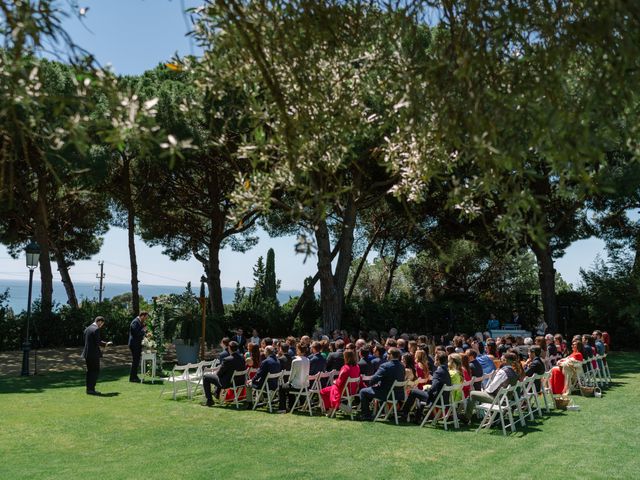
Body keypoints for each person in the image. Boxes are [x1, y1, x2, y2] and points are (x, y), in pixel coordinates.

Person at [464, 352, 519, 420]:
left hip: (497, 399)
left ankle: (466, 417)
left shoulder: (502, 372)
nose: (500, 361)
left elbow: (491, 388)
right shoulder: (514, 372)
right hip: (506, 399)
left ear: (505, 361)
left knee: (472, 393)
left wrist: (484, 391)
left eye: (501, 359)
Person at [400, 352, 451, 422]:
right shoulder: (446, 371)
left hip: (435, 399)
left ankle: (404, 414)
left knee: (413, 391)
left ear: (438, 360)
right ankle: (417, 417)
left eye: (435, 358)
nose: (433, 360)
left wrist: (427, 390)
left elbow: (433, 388)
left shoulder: (438, 372)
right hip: (443, 399)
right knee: (419, 394)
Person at [359, 347, 405, 421]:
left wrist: (371, 384)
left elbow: (374, 379)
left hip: (386, 394)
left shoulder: (385, 366)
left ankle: (366, 415)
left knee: (363, 391)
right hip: (398, 394)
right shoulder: (402, 366)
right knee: (369, 390)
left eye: (388, 353)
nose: (386, 355)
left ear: (392, 355)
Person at [202, 341, 246, 406]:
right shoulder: (242, 358)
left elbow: (219, 374)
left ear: (229, 348)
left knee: (205, 377)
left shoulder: (227, 359)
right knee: (220, 377)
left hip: (227, 383)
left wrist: (215, 372)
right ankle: (216, 393)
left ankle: (210, 400)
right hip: (240, 382)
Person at [320, 349, 360, 415]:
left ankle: (331, 409)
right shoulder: (357, 367)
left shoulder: (345, 368)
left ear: (346, 357)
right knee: (329, 390)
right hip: (353, 390)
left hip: (343, 390)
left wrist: (334, 381)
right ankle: (334, 408)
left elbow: (339, 382)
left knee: (323, 391)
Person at [82, 316, 112, 395]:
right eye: (102, 324)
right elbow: (98, 341)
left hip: (87, 353)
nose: (101, 326)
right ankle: (91, 389)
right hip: (93, 354)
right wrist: (106, 343)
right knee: (95, 371)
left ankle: (88, 389)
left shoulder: (87, 329)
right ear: (99, 322)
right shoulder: (96, 329)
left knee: (89, 371)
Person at [278, 344, 311, 412]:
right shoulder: (307, 360)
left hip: (297, 386)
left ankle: (282, 408)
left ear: (298, 350)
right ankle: (292, 406)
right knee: (288, 386)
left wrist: (288, 382)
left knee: (282, 387)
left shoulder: (295, 361)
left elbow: (291, 376)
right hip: (305, 386)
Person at [128, 311, 149, 383]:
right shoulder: (135, 322)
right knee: (135, 361)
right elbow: (135, 333)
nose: (145, 319)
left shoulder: (139, 322)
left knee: (136, 361)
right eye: (145, 318)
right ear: (142, 316)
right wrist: (143, 330)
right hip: (134, 344)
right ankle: (132, 378)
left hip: (137, 344)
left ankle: (134, 376)